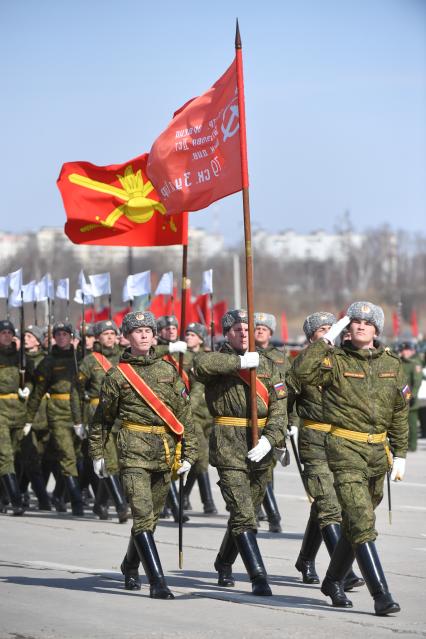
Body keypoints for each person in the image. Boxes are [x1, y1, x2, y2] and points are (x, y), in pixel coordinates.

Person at [291, 302, 409, 615]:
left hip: (377, 453)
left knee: (355, 523)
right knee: (361, 520)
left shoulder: (392, 364)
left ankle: (332, 580)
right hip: (344, 449)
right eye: (353, 322)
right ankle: (381, 594)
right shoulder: (333, 359)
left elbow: (398, 412)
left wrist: (401, 453)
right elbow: (300, 372)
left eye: (366, 323)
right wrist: (328, 338)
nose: (359, 326)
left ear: (376, 330)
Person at [89, 311, 197, 599]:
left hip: (163, 453)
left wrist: (189, 451)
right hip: (132, 453)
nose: (145, 334)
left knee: (149, 520)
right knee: (141, 514)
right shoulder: (117, 375)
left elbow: (185, 414)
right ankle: (158, 582)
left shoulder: (168, 370)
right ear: (127, 336)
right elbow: (103, 418)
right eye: (138, 331)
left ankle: (129, 564)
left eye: (149, 330)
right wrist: (97, 452)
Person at [193, 309, 287, 596]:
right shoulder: (217, 361)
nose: (243, 334)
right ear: (226, 333)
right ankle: (258, 576)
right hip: (228, 444)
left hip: (260, 445)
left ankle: (223, 562)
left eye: (248, 329)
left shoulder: (270, 363)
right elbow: (199, 365)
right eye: (236, 329)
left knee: (248, 512)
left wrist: (271, 439)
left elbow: (280, 407)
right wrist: (239, 362)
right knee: (243, 512)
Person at [286, 312, 363, 590]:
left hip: (342, 440)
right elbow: (287, 397)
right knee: (329, 505)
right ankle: (343, 572)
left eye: (332, 328)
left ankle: (305, 559)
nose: (329, 333)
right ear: (310, 338)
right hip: (313, 439)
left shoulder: (344, 360)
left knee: (328, 503)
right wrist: (285, 431)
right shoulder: (303, 362)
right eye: (322, 330)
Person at [25, 321, 86, 516]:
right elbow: (38, 392)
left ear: (71, 337)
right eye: (58, 335)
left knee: (79, 456)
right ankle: (77, 502)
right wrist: (28, 418)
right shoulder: (49, 361)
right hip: (58, 413)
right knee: (67, 456)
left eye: (65, 335)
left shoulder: (81, 358)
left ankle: (60, 495)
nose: (61, 338)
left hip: (81, 413)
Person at [71, 319, 128, 522]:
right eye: (105, 334)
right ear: (98, 338)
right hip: (99, 414)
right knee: (109, 461)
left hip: (122, 415)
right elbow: (76, 391)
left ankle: (99, 504)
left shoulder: (125, 357)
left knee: (121, 462)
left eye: (113, 333)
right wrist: (78, 420)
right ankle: (121, 506)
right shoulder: (90, 361)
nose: (110, 337)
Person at [254, 312, 287, 532]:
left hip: (274, 418)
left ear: (270, 333)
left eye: (263, 329)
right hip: (252, 419)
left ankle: (270, 514)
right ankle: (265, 514)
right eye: (256, 328)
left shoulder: (280, 357)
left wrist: (289, 421)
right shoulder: (246, 355)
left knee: (267, 468)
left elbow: (287, 389)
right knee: (257, 468)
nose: (259, 331)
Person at [183, 321, 218, 515]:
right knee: (201, 456)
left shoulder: (208, 357)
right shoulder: (181, 357)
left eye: (193, 334)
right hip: (193, 413)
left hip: (210, 414)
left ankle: (184, 495)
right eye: (187, 334)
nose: (189, 337)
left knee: (201, 459)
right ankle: (208, 502)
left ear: (201, 338)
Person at [0, 319, 28, 514]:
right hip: (0, 408)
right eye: (3, 332)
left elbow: (33, 379)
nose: (6, 335)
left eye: (9, 332)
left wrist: (27, 388)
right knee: (5, 455)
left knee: (17, 454)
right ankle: (16, 500)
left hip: (18, 410)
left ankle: (3, 497)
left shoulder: (21, 357)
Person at [398, 341, 423, 452]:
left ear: (412, 351)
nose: (405, 352)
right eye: (403, 350)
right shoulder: (399, 362)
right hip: (399, 398)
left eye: (407, 350)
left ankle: (412, 445)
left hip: (410, 398)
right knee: (400, 424)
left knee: (412, 423)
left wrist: (410, 396)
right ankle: (402, 444)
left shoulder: (415, 363)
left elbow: (417, 381)